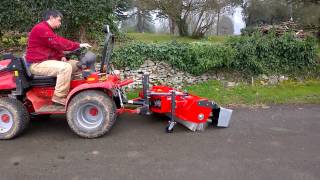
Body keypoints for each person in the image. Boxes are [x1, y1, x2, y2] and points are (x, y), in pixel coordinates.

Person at [25, 9, 91, 105]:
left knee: (76, 64)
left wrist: (61, 56)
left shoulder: (47, 30)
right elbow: (58, 42)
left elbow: (53, 46)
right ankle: (59, 97)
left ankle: (74, 88)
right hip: (36, 64)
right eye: (59, 20)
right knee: (65, 68)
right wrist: (78, 45)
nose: (60, 23)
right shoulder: (41, 28)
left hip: (44, 61)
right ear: (51, 18)